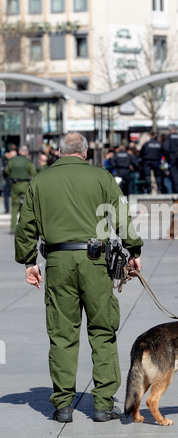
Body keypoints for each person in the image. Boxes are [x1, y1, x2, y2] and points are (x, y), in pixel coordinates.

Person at [14, 132, 143, 423]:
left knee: (62, 334)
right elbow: (121, 218)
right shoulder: (102, 178)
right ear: (85, 153)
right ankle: (102, 404)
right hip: (95, 262)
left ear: (59, 152)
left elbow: (26, 227)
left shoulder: (39, 182)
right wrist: (133, 250)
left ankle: (62, 406)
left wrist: (29, 262)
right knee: (103, 330)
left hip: (57, 262)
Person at [5, 146, 36, 233]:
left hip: (14, 185)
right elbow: (33, 173)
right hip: (25, 184)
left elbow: (7, 171)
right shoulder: (28, 161)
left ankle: (13, 228)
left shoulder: (12, 160)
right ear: (26, 152)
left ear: (19, 151)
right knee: (26, 207)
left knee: (14, 207)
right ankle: (24, 228)